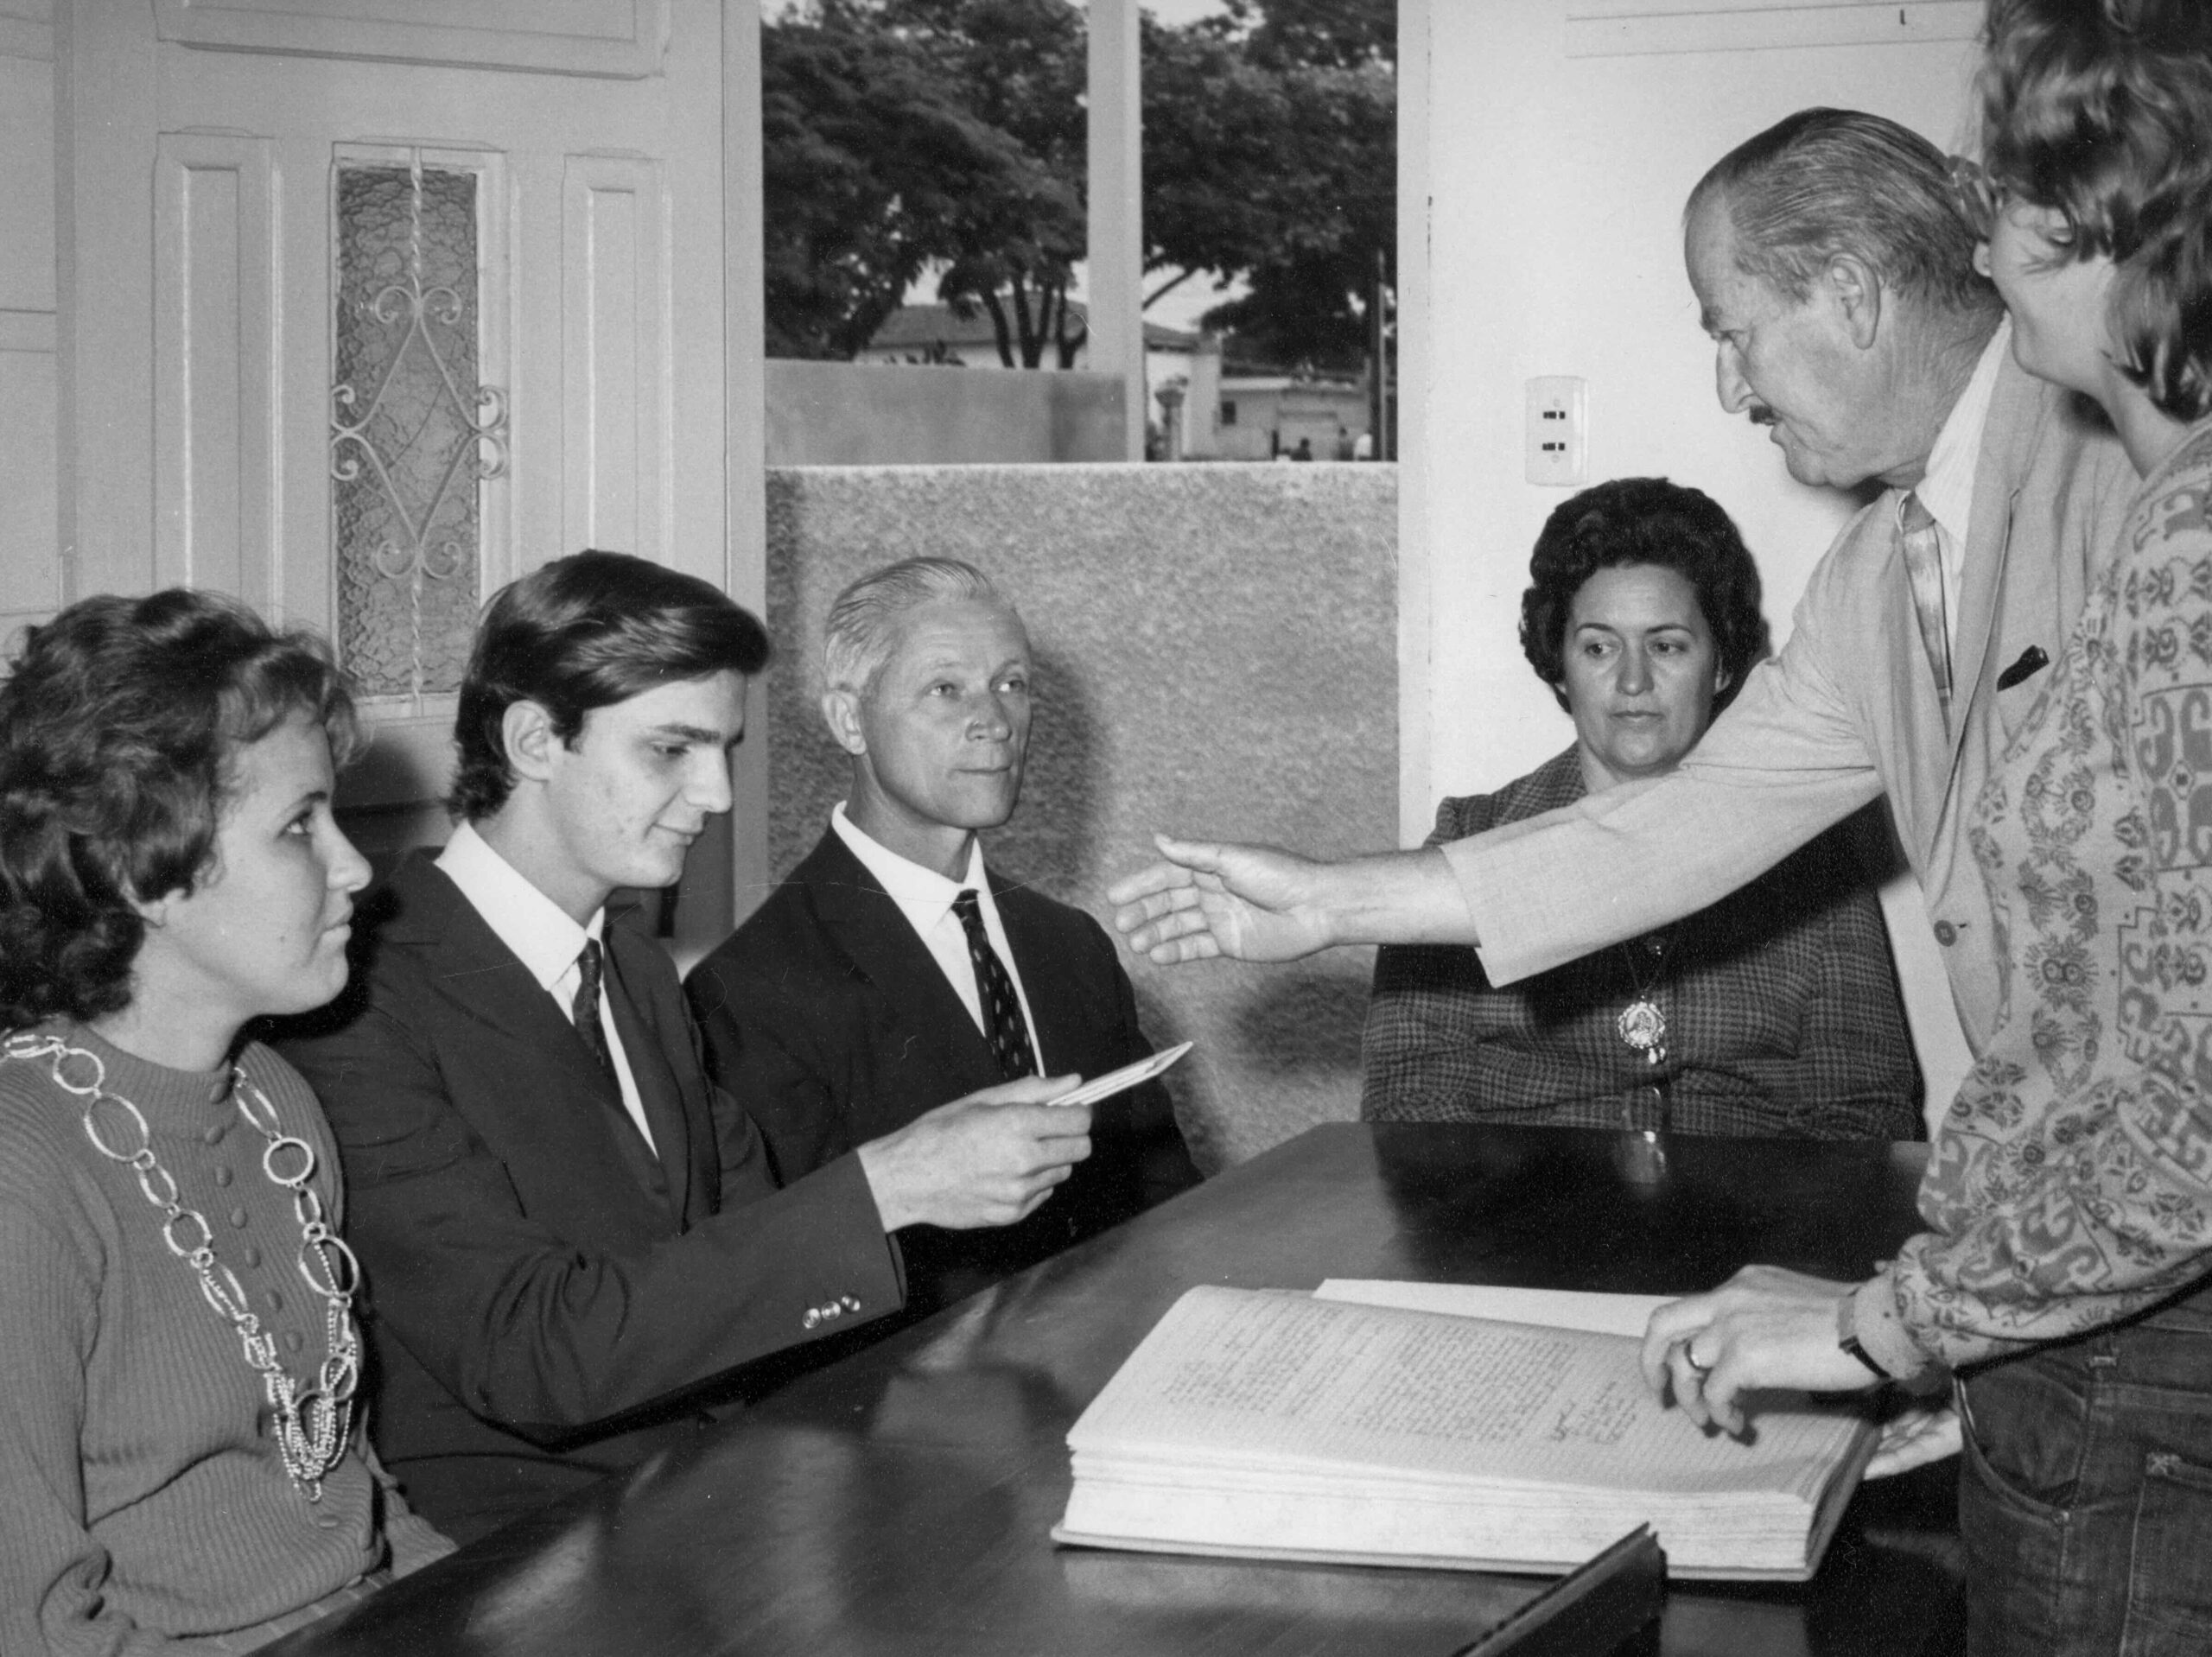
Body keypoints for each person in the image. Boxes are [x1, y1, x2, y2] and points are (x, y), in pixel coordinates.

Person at [1643, 6, 2212, 1651]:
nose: (1977, 228)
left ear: (2118, 224)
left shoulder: (2181, 551)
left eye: (2008, 188)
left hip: (2136, 1380)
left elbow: (2181, 1130)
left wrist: (1881, 1326)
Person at [279, 551, 1093, 1544]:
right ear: (533, 740)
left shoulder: (631, 965)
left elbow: (748, 1248)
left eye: (723, 750)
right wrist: (889, 1183)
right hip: (518, 1549)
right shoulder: (360, 995)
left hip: (710, 1496)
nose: (714, 793)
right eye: (671, 750)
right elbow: (528, 1352)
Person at [0, 590, 449, 1654]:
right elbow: (33, 1626)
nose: (355, 866)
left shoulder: (271, 1097)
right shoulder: (26, 1171)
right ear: (140, 870)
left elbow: (347, 1493)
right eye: (300, 826)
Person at [688, 559, 1198, 1315]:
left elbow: (1167, 1206)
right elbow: (778, 1291)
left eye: (1012, 683)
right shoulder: (750, 989)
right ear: (849, 720)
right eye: (945, 688)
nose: (994, 719)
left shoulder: (1071, 946)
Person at [1363, 477, 1919, 1137]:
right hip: (1514, 1195)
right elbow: (1406, 1100)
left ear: (1721, 665)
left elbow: (1867, 1113)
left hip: (1750, 1199)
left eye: (1666, 645)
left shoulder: (1813, 854)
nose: (1633, 681)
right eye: (1599, 647)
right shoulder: (1469, 838)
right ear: (1559, 664)